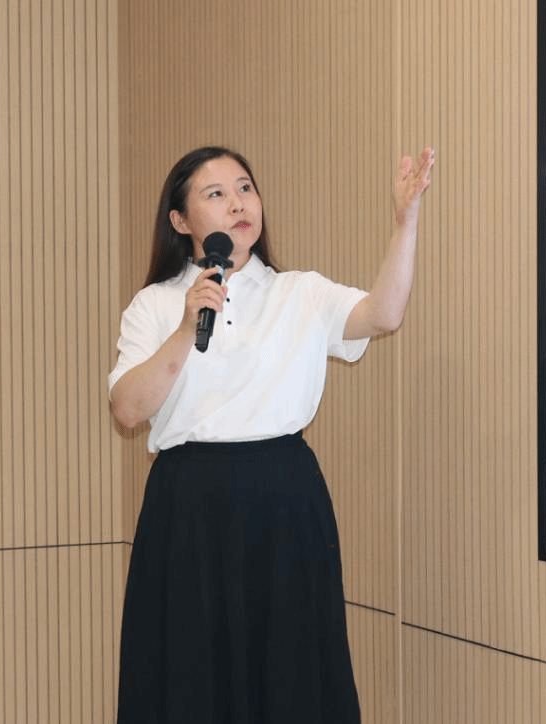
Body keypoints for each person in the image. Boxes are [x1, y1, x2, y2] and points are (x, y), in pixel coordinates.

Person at [108, 144, 434, 723]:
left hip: (283, 500)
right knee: (190, 671)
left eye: (245, 188)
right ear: (180, 221)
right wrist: (186, 326)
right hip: (188, 509)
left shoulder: (299, 292)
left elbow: (383, 314)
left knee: (290, 670)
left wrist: (404, 223)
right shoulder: (154, 305)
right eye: (216, 194)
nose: (238, 204)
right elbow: (128, 411)